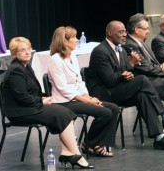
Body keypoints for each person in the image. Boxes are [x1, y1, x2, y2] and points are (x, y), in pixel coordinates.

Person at [87, 20, 164, 151]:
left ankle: (160, 138)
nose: (125, 34)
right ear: (109, 33)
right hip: (104, 93)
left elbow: (123, 73)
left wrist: (128, 73)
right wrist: (129, 67)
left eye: (125, 31)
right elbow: (110, 80)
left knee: (142, 96)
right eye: (121, 32)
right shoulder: (100, 51)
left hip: (117, 89)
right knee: (142, 79)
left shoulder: (122, 50)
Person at [3, 37, 93, 169]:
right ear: (14, 53)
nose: (27, 52)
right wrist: (41, 101)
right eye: (22, 50)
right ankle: (75, 154)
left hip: (30, 107)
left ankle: (67, 152)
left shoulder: (26, 67)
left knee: (65, 111)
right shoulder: (15, 70)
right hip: (20, 112)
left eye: (28, 49)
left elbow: (31, 92)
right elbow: (21, 97)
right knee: (60, 113)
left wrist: (44, 97)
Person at [47, 26, 119, 158]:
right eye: (74, 37)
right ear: (64, 41)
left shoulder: (72, 56)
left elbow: (79, 82)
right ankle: (91, 144)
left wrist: (89, 97)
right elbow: (63, 88)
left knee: (113, 108)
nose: (77, 40)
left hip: (78, 98)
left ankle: (92, 144)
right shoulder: (55, 60)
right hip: (64, 102)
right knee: (104, 112)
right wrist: (87, 101)